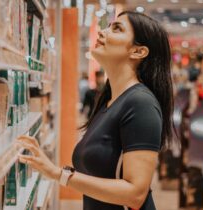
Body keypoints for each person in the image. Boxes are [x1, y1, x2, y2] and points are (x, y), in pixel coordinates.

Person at [17, 11, 176, 210]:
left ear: (138, 52)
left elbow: (135, 194)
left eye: (117, 29)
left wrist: (59, 174)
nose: (102, 32)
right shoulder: (108, 101)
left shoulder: (141, 104)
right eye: (109, 26)